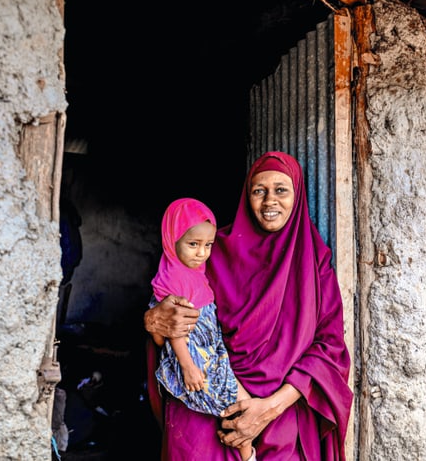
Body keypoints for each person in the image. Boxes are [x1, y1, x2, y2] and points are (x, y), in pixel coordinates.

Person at [144, 151, 353, 460]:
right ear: (247, 195)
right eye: (259, 190)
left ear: (297, 195)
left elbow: (329, 348)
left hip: (282, 416)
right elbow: (174, 301)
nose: (270, 200)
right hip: (207, 408)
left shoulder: (314, 263)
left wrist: (268, 408)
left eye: (281, 189)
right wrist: (153, 319)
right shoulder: (213, 252)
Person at [148, 198, 254, 461]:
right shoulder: (172, 279)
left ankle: (248, 452)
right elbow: (175, 331)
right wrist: (187, 366)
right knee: (234, 405)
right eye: (193, 244)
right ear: (171, 239)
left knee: (244, 404)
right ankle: (248, 455)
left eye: (208, 245)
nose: (201, 253)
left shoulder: (196, 272)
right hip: (197, 358)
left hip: (211, 352)